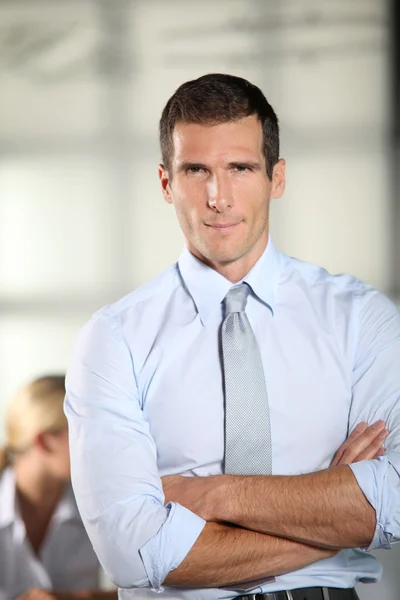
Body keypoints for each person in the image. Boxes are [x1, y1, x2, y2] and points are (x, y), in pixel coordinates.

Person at [65, 74, 400, 600]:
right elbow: (133, 552)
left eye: (240, 168)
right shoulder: (113, 340)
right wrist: (334, 519)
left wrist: (212, 495)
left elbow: (397, 503)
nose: (218, 197)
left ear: (277, 177)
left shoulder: (361, 318)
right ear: (165, 183)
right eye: (196, 170)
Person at [0, 375, 118, 600]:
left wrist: (79, 598)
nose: (98, 443)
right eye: (83, 430)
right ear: (45, 441)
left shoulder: (99, 502)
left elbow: (146, 589)